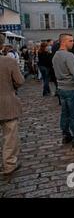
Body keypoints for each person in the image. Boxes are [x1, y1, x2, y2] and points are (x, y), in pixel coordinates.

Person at [52, 33, 74, 147]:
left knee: (65, 113)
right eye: (70, 41)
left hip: (61, 88)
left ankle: (66, 134)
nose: (72, 43)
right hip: (71, 88)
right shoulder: (69, 55)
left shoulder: (55, 55)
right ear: (63, 42)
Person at [0, 34, 25, 175]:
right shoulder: (8, 61)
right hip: (7, 103)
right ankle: (9, 164)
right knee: (10, 136)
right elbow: (20, 81)